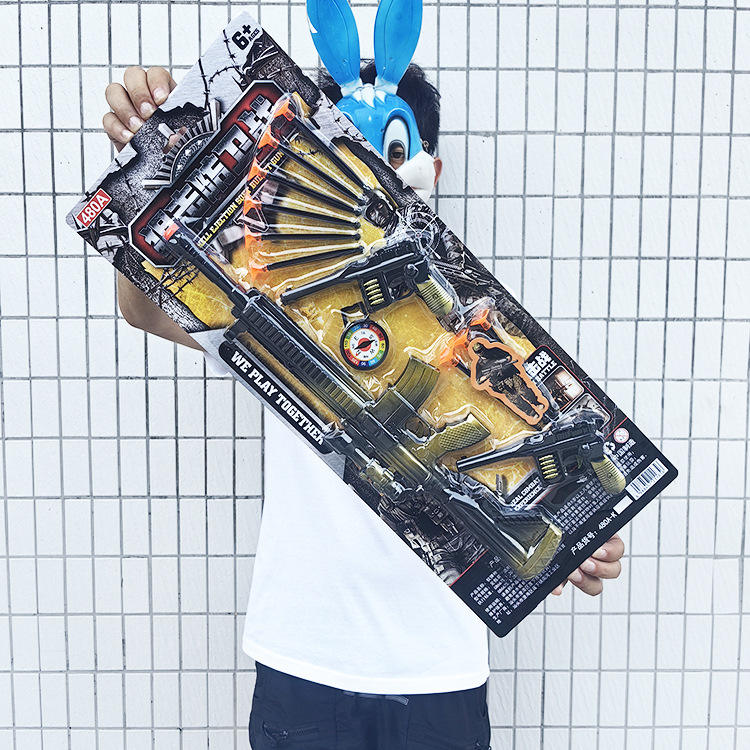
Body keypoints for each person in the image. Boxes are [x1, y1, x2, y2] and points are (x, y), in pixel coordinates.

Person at [102, 56, 624, 749]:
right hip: (307, 656)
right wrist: (152, 159)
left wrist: (580, 532)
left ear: (431, 171)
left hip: (440, 665)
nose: (370, 163)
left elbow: (545, 441)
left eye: (392, 150)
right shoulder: (275, 296)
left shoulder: (476, 311)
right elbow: (145, 307)